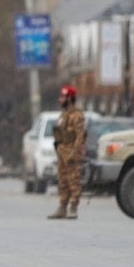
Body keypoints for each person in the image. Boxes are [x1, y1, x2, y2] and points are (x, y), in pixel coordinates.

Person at [48, 84, 86, 220]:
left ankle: (73, 207)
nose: (60, 99)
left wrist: (75, 153)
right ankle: (62, 207)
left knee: (73, 181)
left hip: (71, 152)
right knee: (63, 180)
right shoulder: (63, 115)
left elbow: (80, 136)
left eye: (63, 97)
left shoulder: (77, 115)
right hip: (62, 152)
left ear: (69, 98)